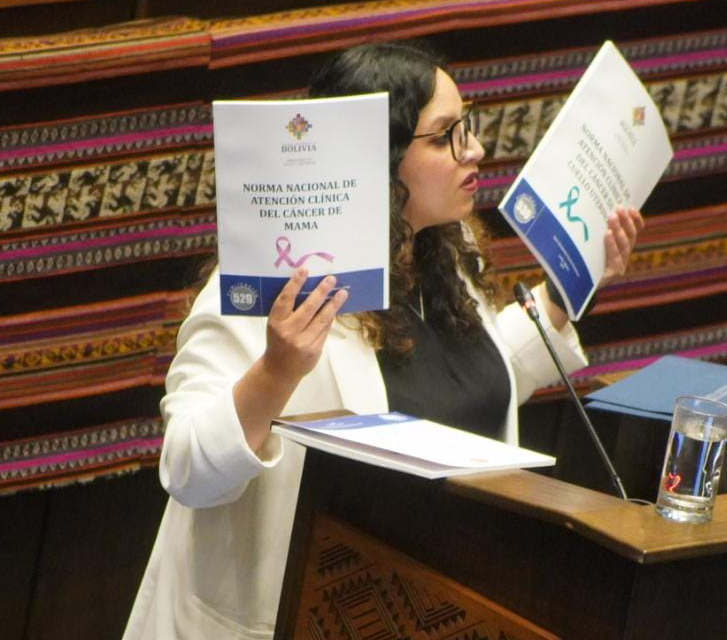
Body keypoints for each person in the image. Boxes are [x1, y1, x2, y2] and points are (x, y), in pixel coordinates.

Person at [122, 40, 644, 640]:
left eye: (467, 126)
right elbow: (188, 471)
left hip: (433, 605)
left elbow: (465, 384)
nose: (475, 149)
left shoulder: (447, 252)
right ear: (378, 155)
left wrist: (571, 287)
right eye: (447, 134)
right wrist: (277, 371)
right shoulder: (268, 288)